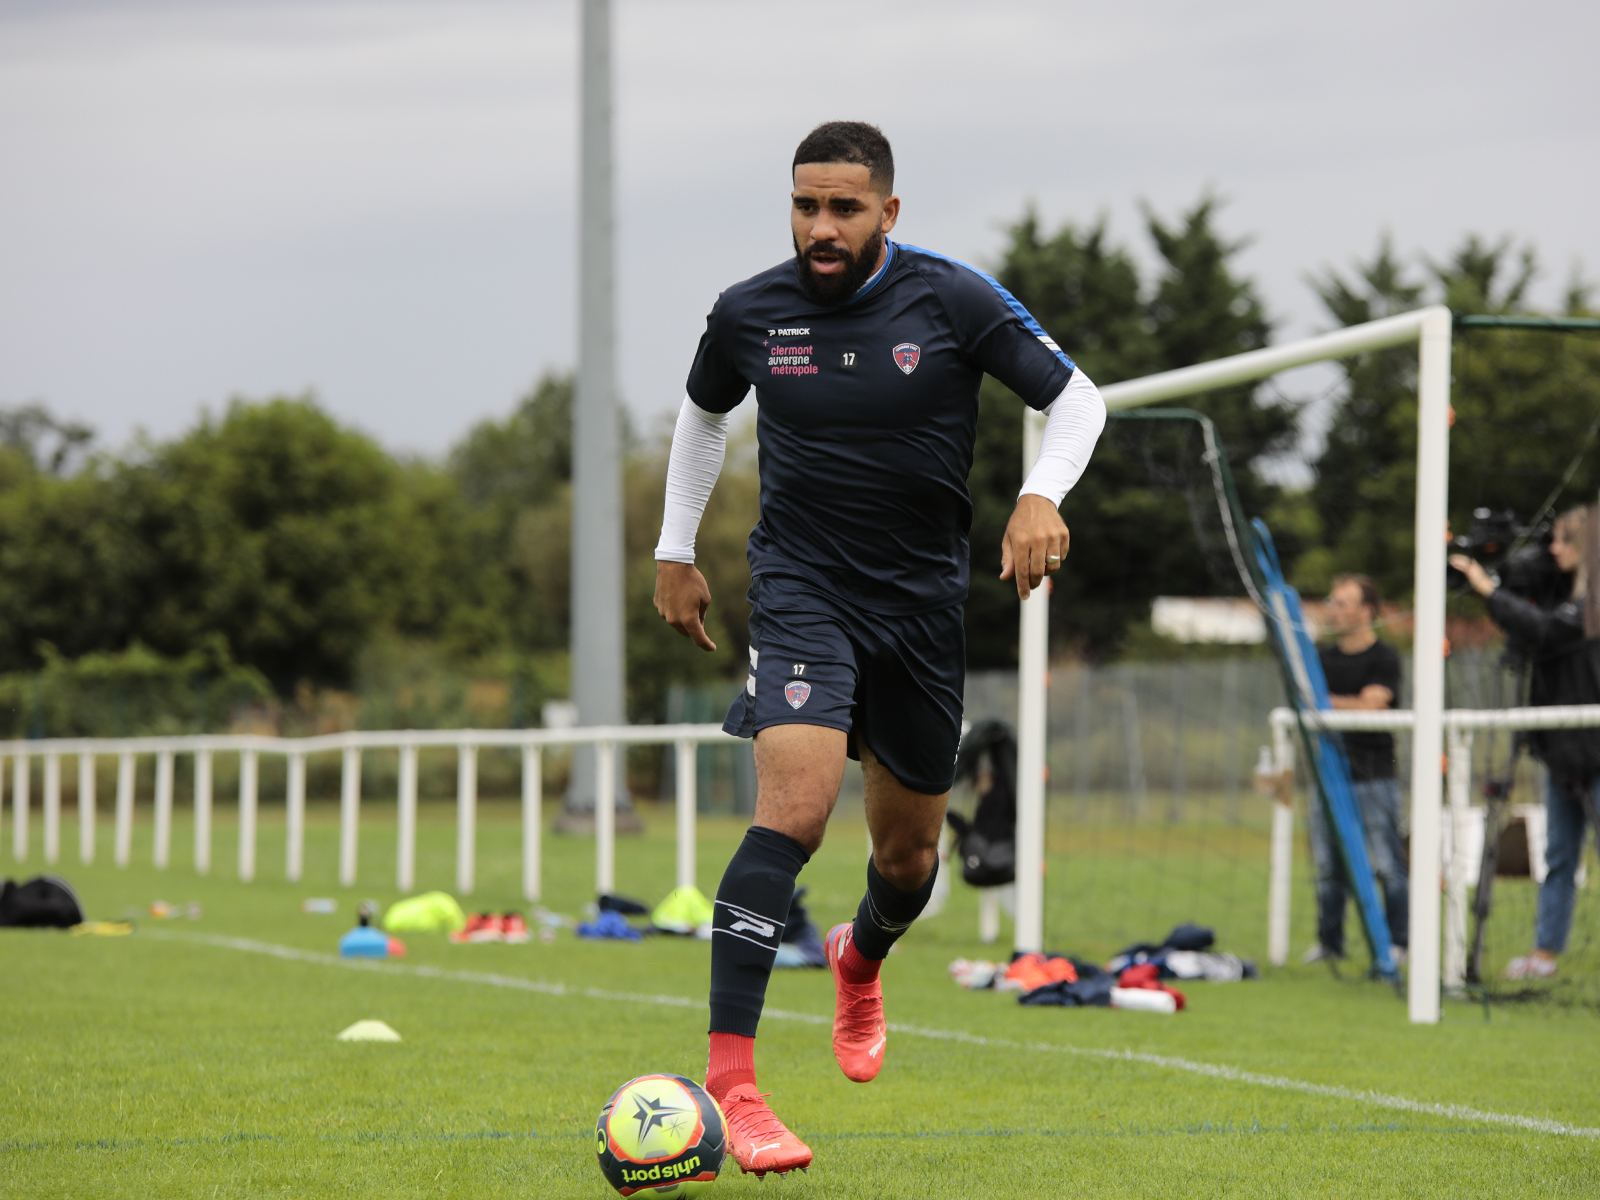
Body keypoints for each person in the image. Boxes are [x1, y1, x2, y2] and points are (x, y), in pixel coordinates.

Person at [652, 121, 1105, 1176]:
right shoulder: (749, 311)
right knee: (795, 813)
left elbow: (1076, 398)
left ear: (887, 214)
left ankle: (861, 956)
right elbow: (702, 414)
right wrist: (675, 549)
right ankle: (734, 1089)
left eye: (843, 208)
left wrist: (1040, 494)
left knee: (906, 863)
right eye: (806, 205)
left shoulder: (951, 301)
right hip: (801, 591)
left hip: (921, 613)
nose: (820, 226)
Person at [1451, 507, 1600, 981]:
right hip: (1561, 753)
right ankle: (1544, 953)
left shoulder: (1591, 601)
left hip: (1594, 751)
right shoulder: (1561, 592)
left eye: (1563, 541)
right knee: (1558, 856)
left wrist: (1487, 589)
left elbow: (1546, 629)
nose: (1552, 550)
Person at [1304, 574, 1409, 967]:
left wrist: (1328, 703)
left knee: (1386, 863)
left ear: (1367, 611)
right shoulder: (1322, 657)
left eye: (1344, 602)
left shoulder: (1384, 657)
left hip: (1374, 776)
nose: (1335, 609)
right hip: (1329, 774)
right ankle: (1330, 943)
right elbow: (1307, 702)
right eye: (1333, 601)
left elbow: (1373, 705)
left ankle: (1399, 942)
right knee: (1329, 865)